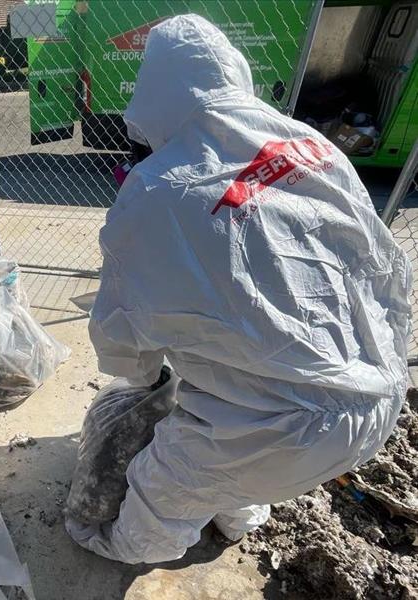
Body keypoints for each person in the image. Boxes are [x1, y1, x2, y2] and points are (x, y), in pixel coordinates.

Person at [65, 14, 412, 564]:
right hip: (378, 398)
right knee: (238, 455)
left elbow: (122, 336)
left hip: (281, 432)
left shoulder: (155, 190)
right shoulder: (311, 145)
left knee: (165, 486)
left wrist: (140, 379)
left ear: (156, 91)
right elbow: (388, 270)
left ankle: (115, 548)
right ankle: (238, 517)